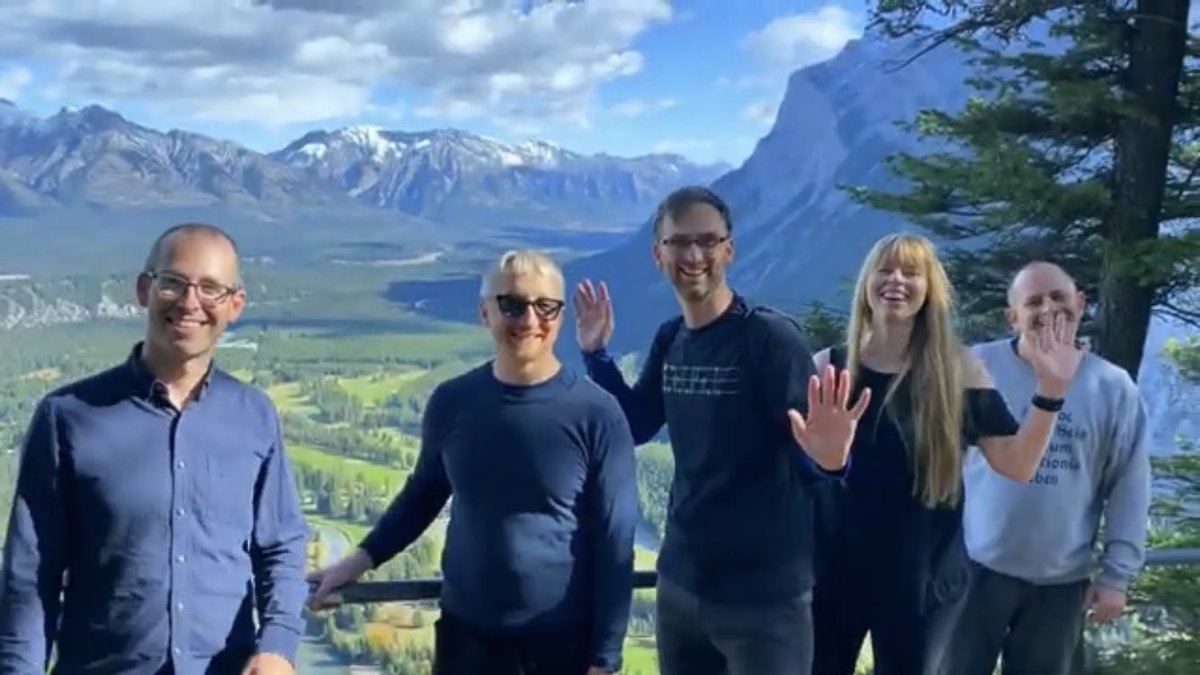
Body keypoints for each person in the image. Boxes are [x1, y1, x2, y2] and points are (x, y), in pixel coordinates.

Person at [573, 186, 870, 675]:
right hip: (682, 586)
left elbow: (813, 457)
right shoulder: (672, 338)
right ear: (658, 255)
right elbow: (637, 424)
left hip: (765, 600)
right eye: (679, 242)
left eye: (708, 241)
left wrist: (831, 458)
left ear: (728, 250)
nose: (694, 255)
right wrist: (596, 356)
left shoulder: (769, 338)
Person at [306, 249, 640, 675]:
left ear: (560, 317)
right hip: (466, 642)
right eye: (512, 305)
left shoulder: (598, 414)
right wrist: (356, 563)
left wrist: (605, 659)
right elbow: (421, 497)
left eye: (545, 306)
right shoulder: (453, 402)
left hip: (559, 646)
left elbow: (616, 543)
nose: (530, 320)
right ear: (485, 313)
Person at [0, 223, 310, 675]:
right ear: (144, 289)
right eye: (173, 283)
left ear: (235, 305)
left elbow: (281, 545)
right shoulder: (67, 416)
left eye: (211, 289)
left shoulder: (254, 416)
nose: (190, 303)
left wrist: (278, 645)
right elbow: (30, 574)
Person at [808, 235, 1084, 675]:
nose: (896, 280)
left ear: (928, 291)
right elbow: (791, 468)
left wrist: (1051, 392)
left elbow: (1017, 463)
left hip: (925, 581)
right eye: (885, 269)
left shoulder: (957, 371)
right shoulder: (829, 367)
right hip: (832, 574)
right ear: (866, 283)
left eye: (911, 273)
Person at [942, 261, 1152, 675]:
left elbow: (1130, 485)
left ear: (1081, 303)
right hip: (972, 569)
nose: (1048, 308)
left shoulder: (1112, 388)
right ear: (1013, 316)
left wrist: (1116, 576)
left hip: (1060, 583)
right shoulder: (976, 368)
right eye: (1034, 301)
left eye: (1058, 297)